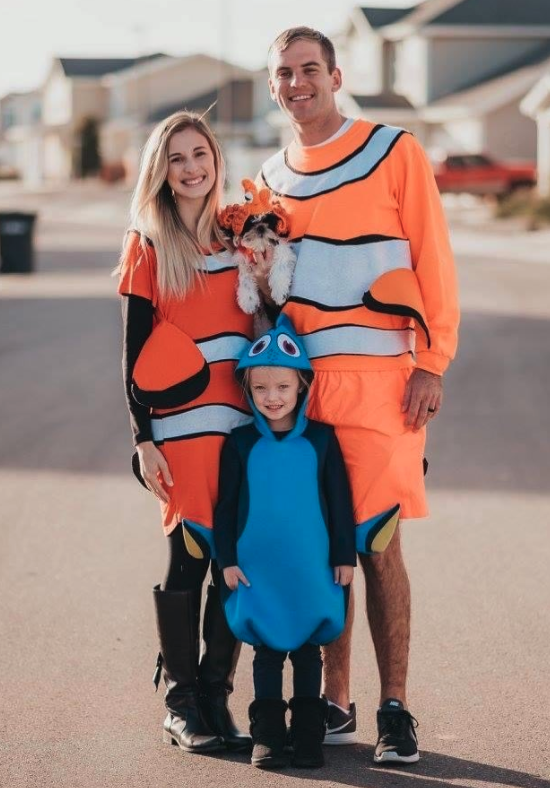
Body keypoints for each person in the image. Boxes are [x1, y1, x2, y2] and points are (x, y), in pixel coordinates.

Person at [258, 27, 460, 765]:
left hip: (382, 385)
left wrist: (431, 361)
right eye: (283, 72)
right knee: (319, 551)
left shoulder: (392, 149)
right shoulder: (268, 176)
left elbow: (432, 255)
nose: (297, 82)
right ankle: (334, 702)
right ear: (272, 84)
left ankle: (395, 707)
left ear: (335, 76)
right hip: (303, 394)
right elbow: (270, 292)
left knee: (377, 546)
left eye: (309, 69)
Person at [115, 111, 254, 753]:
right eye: (177, 158)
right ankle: (180, 700)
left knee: (235, 563)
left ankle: (217, 694)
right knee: (190, 557)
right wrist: (143, 438)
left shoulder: (243, 235)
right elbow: (133, 355)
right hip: (180, 433)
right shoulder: (148, 243)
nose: (192, 167)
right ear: (160, 170)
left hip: (244, 430)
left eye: (201, 154)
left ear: (216, 160)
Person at [213, 315, 356, 770]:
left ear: (301, 387)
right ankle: (269, 738)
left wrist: (343, 555)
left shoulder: (322, 440)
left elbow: (339, 502)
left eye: (282, 387)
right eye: (260, 389)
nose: (272, 398)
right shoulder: (238, 444)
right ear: (248, 391)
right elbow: (227, 509)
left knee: (308, 650)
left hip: (312, 568)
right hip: (258, 570)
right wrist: (227, 560)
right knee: (268, 651)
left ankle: (309, 738)